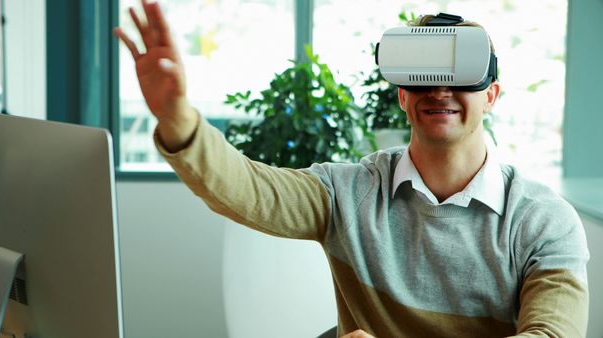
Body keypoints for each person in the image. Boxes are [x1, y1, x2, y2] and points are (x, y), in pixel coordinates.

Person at [114, 1, 589, 337]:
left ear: (491, 95)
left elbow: (552, 333)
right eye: (422, 77)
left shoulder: (544, 221)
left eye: (462, 75)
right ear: (402, 95)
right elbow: (246, 188)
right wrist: (178, 120)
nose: (439, 90)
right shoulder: (349, 194)